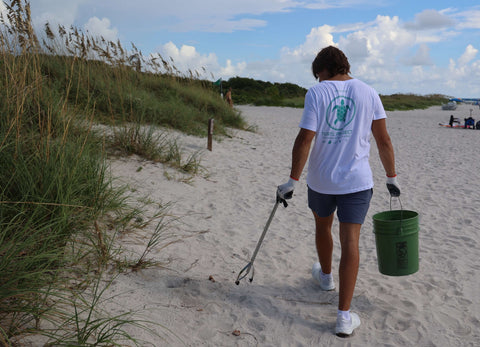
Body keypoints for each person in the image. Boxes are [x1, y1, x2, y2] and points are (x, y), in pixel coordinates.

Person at [277, 46, 400, 337]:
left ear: (325, 68)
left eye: (318, 73)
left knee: (323, 226)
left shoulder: (316, 93)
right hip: (357, 182)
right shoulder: (369, 92)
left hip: (322, 181)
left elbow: (305, 138)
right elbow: (383, 141)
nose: (318, 80)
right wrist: (391, 177)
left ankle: (327, 278)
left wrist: (292, 180)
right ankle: (343, 316)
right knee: (351, 240)